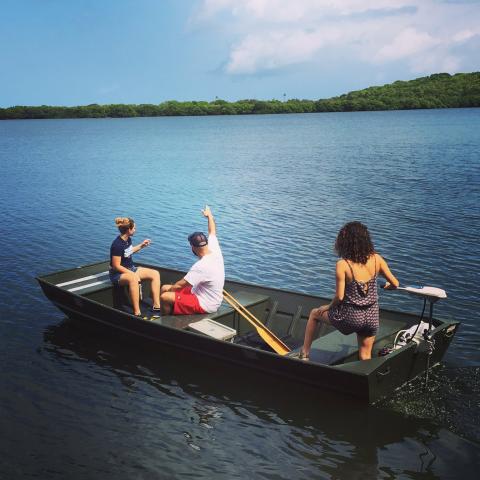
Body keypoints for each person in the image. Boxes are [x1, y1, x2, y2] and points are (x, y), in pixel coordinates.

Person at [300, 221, 399, 361]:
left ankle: (304, 354)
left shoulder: (343, 265)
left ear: (345, 243)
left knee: (315, 314)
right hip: (371, 317)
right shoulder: (377, 259)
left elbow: (339, 297)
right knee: (365, 356)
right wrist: (387, 286)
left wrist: (327, 307)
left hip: (351, 318)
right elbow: (395, 284)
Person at [160, 206, 225, 315]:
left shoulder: (201, 266)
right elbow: (212, 231)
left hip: (205, 304)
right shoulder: (214, 249)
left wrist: (170, 295)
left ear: (193, 247)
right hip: (203, 294)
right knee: (164, 287)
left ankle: (166, 321)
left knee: (165, 296)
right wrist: (209, 216)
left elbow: (179, 286)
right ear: (206, 243)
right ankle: (167, 310)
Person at [109, 217, 161, 317]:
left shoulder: (128, 239)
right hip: (117, 274)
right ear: (129, 230)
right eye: (134, 228)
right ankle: (137, 312)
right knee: (133, 279)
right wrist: (132, 274)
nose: (135, 230)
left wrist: (142, 245)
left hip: (130, 269)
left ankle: (156, 306)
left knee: (155, 273)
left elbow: (129, 251)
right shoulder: (117, 245)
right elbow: (116, 266)